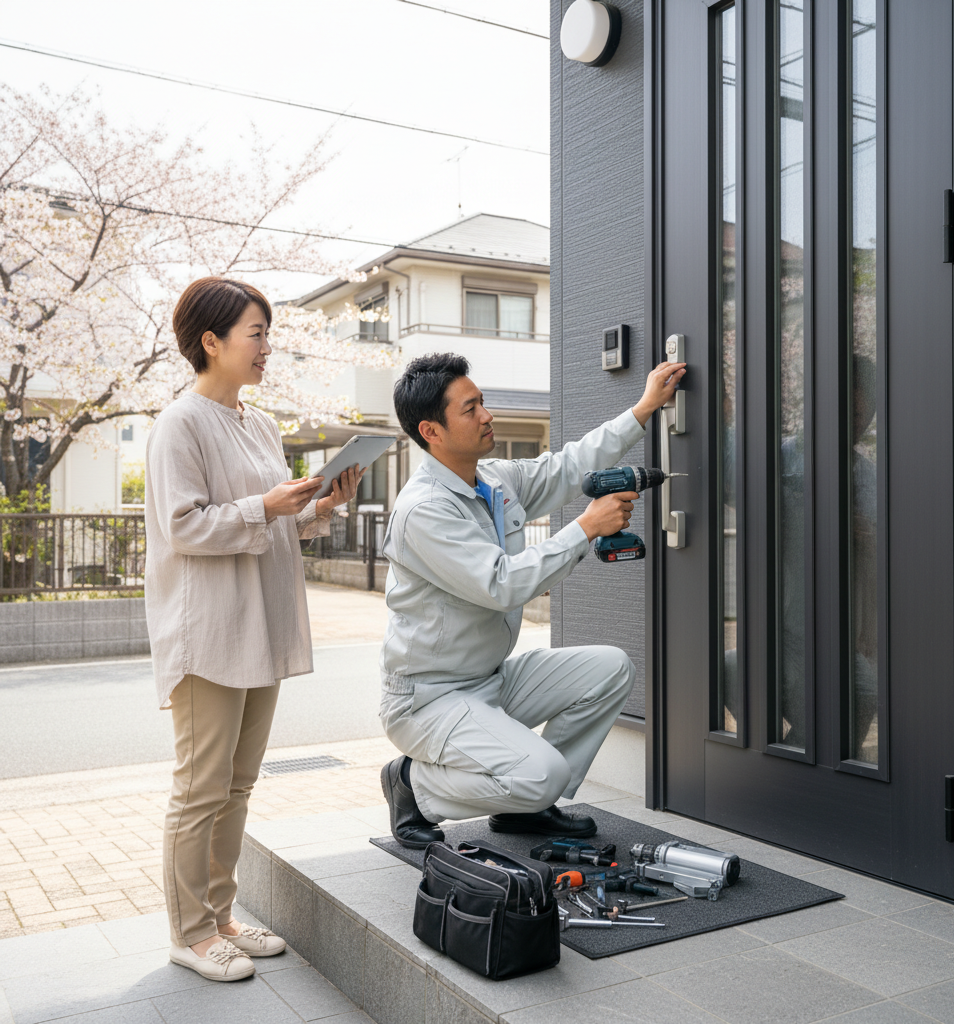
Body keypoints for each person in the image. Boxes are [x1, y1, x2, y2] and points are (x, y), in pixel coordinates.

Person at [145, 277, 362, 981]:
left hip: (257, 628)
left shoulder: (259, 424)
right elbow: (183, 528)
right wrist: (265, 506)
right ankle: (189, 931)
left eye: (268, 333)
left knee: (237, 785)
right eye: (256, 334)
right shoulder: (179, 422)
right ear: (211, 342)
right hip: (208, 631)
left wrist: (319, 505)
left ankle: (220, 917)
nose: (267, 347)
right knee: (200, 787)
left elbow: (273, 521)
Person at [379, 352, 686, 847]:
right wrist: (586, 527)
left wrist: (645, 407)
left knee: (610, 668)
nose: (486, 416)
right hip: (429, 699)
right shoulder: (424, 511)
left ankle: (525, 808)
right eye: (470, 408)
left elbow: (570, 466)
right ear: (431, 431)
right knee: (543, 774)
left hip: (488, 680)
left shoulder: (493, 480)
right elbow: (502, 584)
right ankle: (414, 785)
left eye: (483, 403)